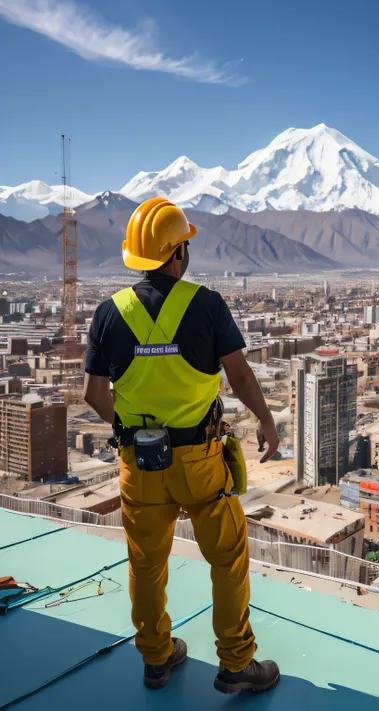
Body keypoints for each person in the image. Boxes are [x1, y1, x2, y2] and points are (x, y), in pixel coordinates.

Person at [84, 197, 280, 694]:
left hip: (140, 463)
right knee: (227, 556)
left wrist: (129, 431)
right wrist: (265, 419)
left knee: (147, 562)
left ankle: (156, 658)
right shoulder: (207, 305)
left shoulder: (108, 314)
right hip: (200, 461)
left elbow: (93, 393)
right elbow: (237, 373)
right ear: (177, 254)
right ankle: (236, 662)